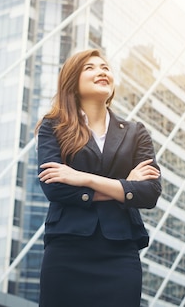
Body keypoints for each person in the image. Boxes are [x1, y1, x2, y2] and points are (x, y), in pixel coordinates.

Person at [36, 48, 162, 307]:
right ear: (73, 81)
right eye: (90, 67)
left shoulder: (136, 132)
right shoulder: (54, 126)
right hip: (67, 250)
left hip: (120, 252)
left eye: (105, 67)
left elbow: (149, 192)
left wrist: (82, 178)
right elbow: (55, 188)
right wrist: (124, 186)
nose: (101, 71)